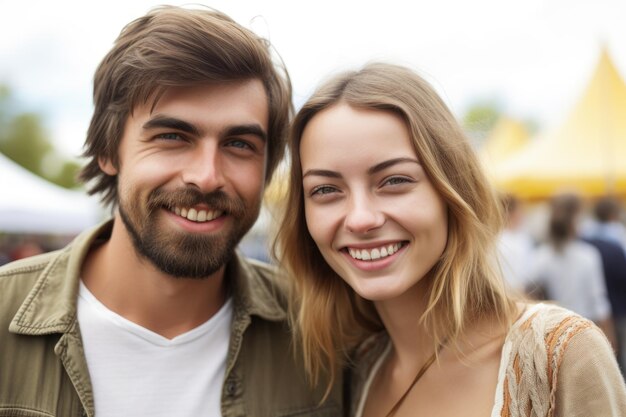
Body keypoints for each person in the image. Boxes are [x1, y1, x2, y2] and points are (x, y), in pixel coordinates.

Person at [0, 6, 341, 417]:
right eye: (172, 136)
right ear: (109, 150)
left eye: (239, 144)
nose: (206, 177)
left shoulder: (324, 332)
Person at [274, 63, 626, 417]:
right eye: (325, 189)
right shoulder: (352, 369)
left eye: (394, 181)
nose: (361, 218)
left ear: (452, 188)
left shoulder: (560, 355)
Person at [529, 193, 618, 347]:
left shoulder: (541, 256)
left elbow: (529, 292)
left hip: (553, 334)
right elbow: (598, 302)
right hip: (584, 332)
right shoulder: (587, 255)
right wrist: (610, 336)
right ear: (575, 220)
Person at [496, 193, 536, 295]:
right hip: (513, 294)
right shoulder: (503, 241)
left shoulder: (522, 238)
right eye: (520, 210)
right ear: (511, 213)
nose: (523, 215)